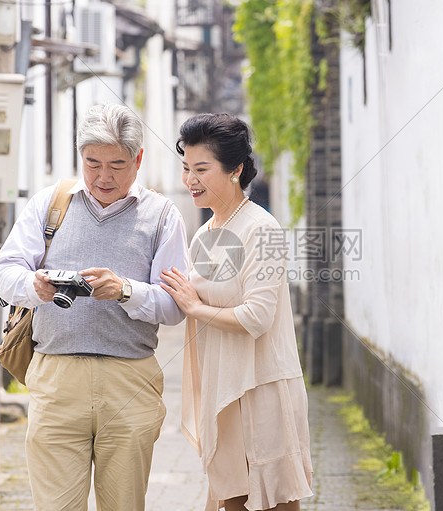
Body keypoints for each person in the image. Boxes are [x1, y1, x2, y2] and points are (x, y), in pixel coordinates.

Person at [0, 103, 189, 511]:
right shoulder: (51, 204)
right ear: (80, 156)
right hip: (56, 378)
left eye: (116, 164)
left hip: (129, 381)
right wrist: (35, 286)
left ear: (138, 160)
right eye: (92, 162)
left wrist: (125, 291)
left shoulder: (162, 215)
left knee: (124, 505)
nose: (103, 176)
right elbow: (4, 270)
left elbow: (175, 307)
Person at [161, 113, 313, 511]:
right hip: (223, 387)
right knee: (230, 500)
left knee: (274, 502)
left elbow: (257, 317)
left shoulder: (260, 229)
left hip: (261, 386)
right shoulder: (204, 234)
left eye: (201, 169)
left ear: (236, 170)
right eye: (186, 169)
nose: (190, 180)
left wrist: (195, 306)